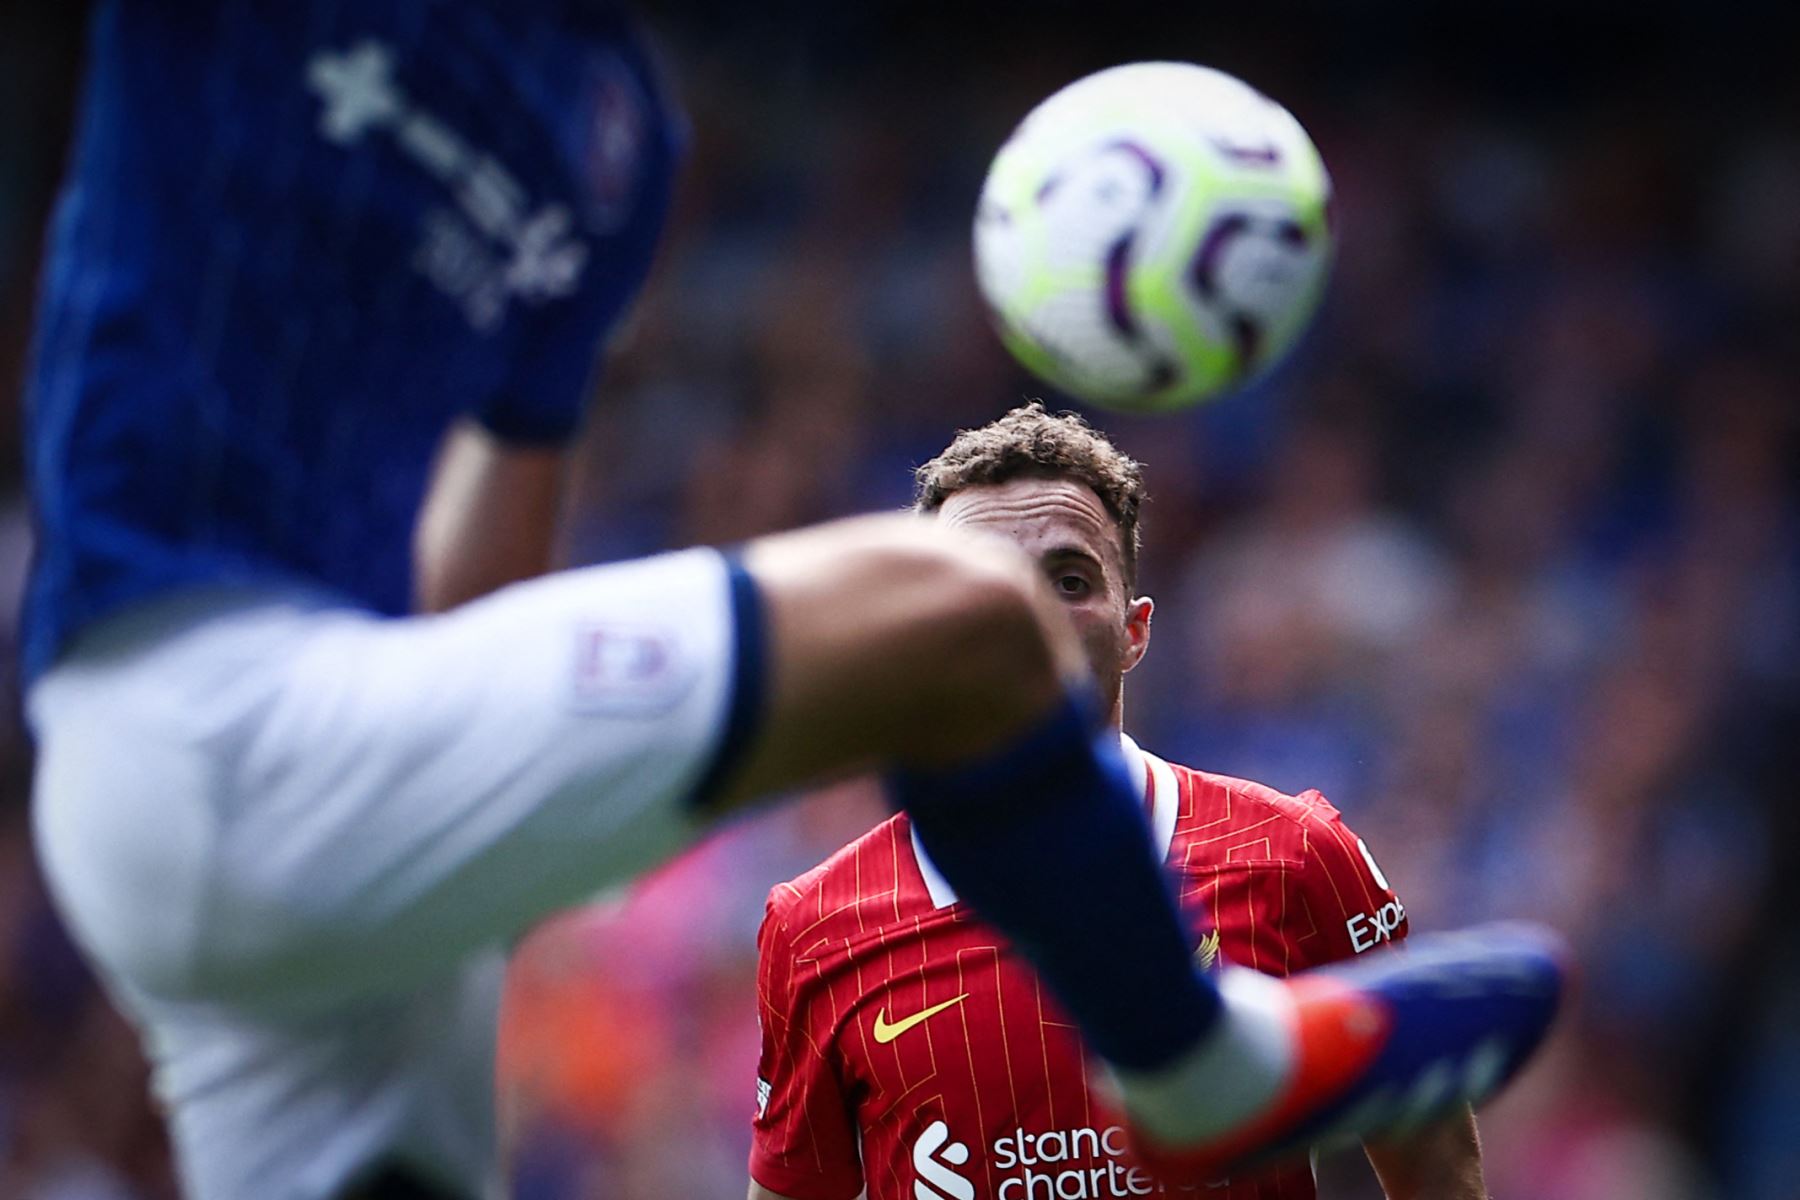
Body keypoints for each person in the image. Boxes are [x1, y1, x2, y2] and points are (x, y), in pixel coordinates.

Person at [21, 4, 1561, 1198]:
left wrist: (497, 810)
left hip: (342, 817)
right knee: (965, 615)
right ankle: (1194, 1056)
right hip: (189, 714)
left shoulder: (605, 132)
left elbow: (467, 604)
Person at [749, 405, 1488, 1200]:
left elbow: (1436, 1161)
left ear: (1135, 631)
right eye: (988, 586)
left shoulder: (1295, 853)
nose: (1030, 618)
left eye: (1069, 580)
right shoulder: (814, 928)